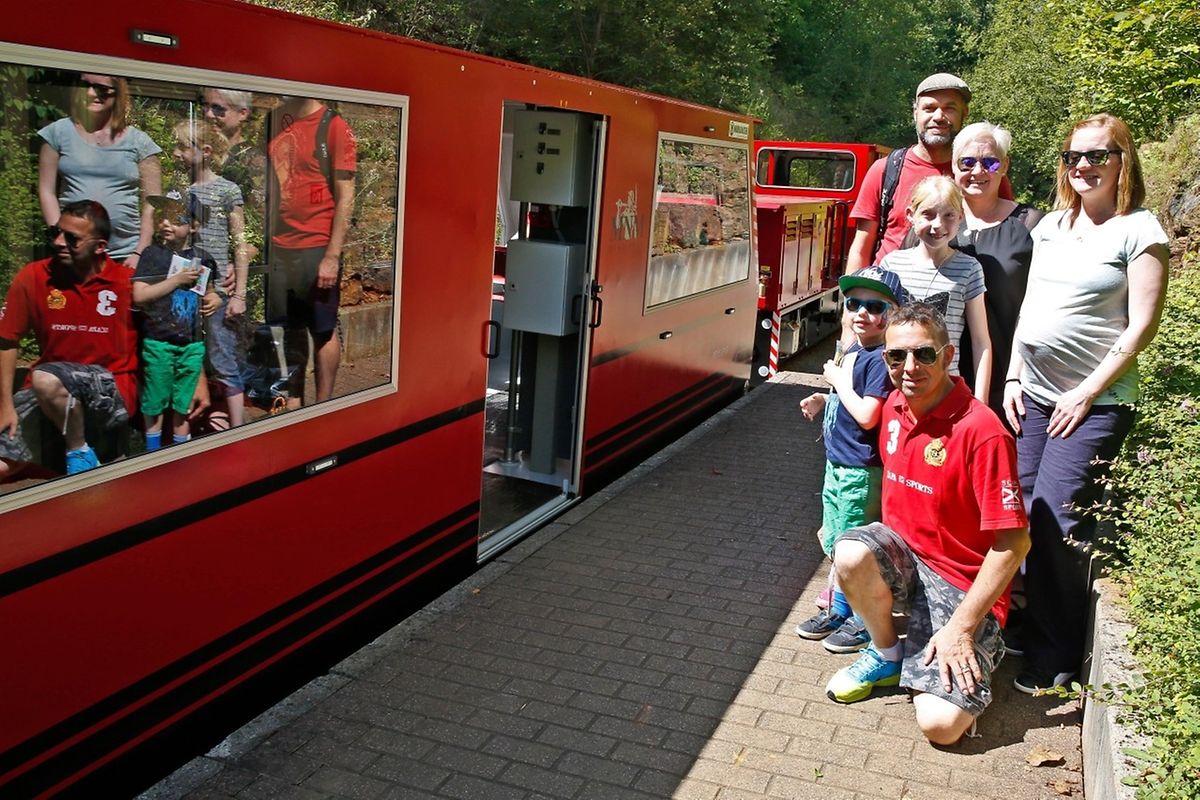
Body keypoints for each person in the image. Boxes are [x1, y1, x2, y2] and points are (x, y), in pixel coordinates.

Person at [1003, 114, 1169, 693]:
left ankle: (1057, 653)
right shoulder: (1051, 225)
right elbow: (1032, 308)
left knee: (1057, 518)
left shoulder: (1139, 230)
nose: (1083, 166)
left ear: (1123, 161)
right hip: (1035, 395)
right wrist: (1013, 376)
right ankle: (1025, 622)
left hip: (1093, 403)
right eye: (1073, 155)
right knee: (1020, 510)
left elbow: (1142, 326)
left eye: (1098, 155)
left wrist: (1088, 390)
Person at [825, 303, 1029, 746]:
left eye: (924, 355)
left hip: (961, 583)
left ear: (949, 355)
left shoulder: (983, 431)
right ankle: (887, 652)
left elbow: (1014, 543)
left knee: (940, 726)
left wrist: (960, 626)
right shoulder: (896, 404)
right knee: (850, 550)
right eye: (897, 357)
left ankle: (977, 651)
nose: (909, 367)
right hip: (908, 560)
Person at [797, 268, 907, 654]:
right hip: (838, 463)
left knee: (855, 543)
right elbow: (849, 402)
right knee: (834, 537)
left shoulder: (880, 358)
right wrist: (824, 399)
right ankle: (840, 607)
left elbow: (867, 415)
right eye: (854, 303)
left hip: (861, 470)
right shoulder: (856, 351)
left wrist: (837, 381)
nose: (861, 312)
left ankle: (864, 621)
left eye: (874, 306)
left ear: (893, 314)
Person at [0, 201, 138, 476]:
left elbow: (169, 336)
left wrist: (199, 383)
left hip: (109, 389)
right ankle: (70, 454)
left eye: (72, 238)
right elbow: (6, 339)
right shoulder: (35, 276)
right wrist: (5, 405)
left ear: (100, 246)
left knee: (48, 377)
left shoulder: (128, 282)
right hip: (47, 394)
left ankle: (79, 452)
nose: (59, 242)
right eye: (57, 232)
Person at [266, 96, 356, 407]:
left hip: (317, 244)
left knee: (323, 329)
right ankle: (294, 402)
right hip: (280, 245)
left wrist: (331, 256)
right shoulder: (275, 119)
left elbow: (346, 197)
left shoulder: (333, 127)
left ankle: (322, 406)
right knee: (291, 327)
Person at [951, 122, 1043, 417]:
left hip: (1010, 382)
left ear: (1004, 166)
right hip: (939, 379)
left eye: (989, 162)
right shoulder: (933, 225)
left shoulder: (1031, 225)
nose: (977, 171)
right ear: (953, 167)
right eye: (967, 162)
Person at [846, 74, 972, 270]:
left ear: (964, 113)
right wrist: (854, 298)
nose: (938, 117)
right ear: (915, 113)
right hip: (888, 295)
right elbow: (860, 249)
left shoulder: (977, 175)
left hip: (955, 293)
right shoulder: (886, 170)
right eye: (929, 108)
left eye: (949, 108)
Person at [881, 176, 991, 401]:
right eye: (928, 214)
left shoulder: (969, 269)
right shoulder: (892, 264)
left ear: (960, 217)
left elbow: (981, 341)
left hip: (945, 389)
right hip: (897, 387)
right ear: (911, 215)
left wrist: (981, 402)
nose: (938, 225)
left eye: (948, 215)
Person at [38, 73, 162, 267]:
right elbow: (46, 191)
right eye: (84, 85)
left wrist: (140, 251)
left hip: (126, 255)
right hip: (73, 253)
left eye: (102, 89)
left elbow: (153, 203)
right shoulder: (58, 133)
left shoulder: (140, 142)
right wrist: (62, 238)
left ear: (118, 93)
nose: (90, 93)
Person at [175, 119, 250, 427]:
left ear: (204, 151)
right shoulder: (178, 191)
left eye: (182, 147)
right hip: (187, 286)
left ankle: (238, 427)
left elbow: (240, 242)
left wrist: (238, 294)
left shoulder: (227, 191)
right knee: (189, 356)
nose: (176, 153)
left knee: (223, 357)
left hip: (217, 290)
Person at [133, 191, 221, 450]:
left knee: (183, 404)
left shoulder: (203, 259)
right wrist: (175, 281)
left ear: (194, 225)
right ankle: (152, 452)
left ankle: (181, 453)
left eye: (175, 218)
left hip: (191, 346)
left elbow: (210, 291)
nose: (165, 223)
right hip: (158, 343)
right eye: (163, 217)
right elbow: (139, 295)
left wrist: (214, 299)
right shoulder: (152, 255)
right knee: (154, 401)